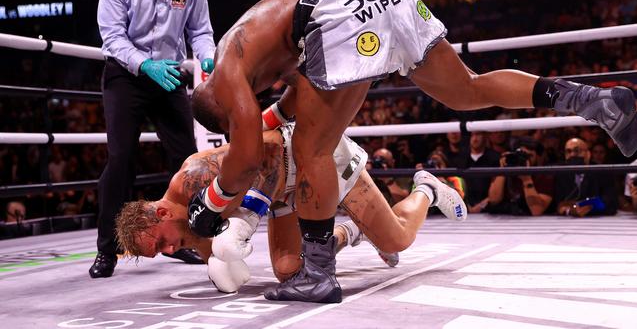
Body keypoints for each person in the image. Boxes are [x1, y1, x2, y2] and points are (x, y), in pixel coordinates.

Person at [193, 0, 637, 302]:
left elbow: (248, 152)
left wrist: (211, 203)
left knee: (313, 149)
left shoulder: (226, 66)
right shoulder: (262, 53)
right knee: (467, 87)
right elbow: (288, 108)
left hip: (336, 13)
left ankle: (317, 274)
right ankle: (587, 99)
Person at [116, 98, 466, 296]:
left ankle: (426, 189)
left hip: (304, 155)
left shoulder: (195, 177)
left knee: (398, 238)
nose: (170, 252)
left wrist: (249, 216)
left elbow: (267, 149)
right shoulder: (186, 232)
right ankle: (350, 232)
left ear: (161, 213)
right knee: (290, 272)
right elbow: (224, 263)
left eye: (161, 244)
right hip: (282, 195)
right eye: (160, 253)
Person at [93, 0, 216, 278]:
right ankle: (107, 249)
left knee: (188, 158)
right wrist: (145, 64)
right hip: (125, 73)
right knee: (121, 158)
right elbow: (112, 36)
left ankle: (186, 238)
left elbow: (200, 31)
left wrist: (209, 57)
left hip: (171, 72)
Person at [485, 137, 554, 216]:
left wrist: (526, 179)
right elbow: (494, 200)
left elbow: (536, 210)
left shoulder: (544, 176)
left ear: (538, 158)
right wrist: (503, 171)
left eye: (529, 156)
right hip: (505, 219)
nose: (524, 159)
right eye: (521, 155)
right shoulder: (506, 171)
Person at [555, 138, 618, 216]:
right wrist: (569, 210)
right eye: (568, 151)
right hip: (567, 222)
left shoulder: (602, 172)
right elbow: (558, 204)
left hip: (598, 221)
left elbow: (611, 202)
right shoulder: (561, 173)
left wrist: (590, 207)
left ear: (588, 154)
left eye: (577, 150)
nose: (572, 154)